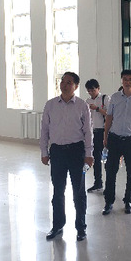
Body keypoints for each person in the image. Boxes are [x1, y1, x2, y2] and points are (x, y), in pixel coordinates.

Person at [40, 72, 93, 241]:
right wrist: (44, 152)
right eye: (62, 81)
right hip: (57, 152)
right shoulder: (50, 105)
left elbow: (88, 132)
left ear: (76, 86)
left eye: (69, 82)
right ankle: (57, 225)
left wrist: (89, 154)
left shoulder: (82, 105)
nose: (64, 85)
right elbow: (44, 130)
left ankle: (81, 227)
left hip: (77, 152)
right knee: (58, 191)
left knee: (79, 192)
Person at [102, 69, 131, 215]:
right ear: (121, 80)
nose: (127, 82)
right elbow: (109, 117)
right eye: (125, 79)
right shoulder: (114, 97)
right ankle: (108, 202)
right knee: (111, 171)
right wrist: (105, 136)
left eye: (130, 79)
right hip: (115, 138)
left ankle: (128, 201)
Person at [85, 79, 110, 193]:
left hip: (104, 131)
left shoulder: (105, 98)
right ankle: (98, 183)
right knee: (96, 158)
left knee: (109, 160)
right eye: (89, 91)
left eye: (93, 90)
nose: (91, 93)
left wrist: (98, 109)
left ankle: (109, 185)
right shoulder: (87, 101)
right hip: (92, 132)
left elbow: (110, 114)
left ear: (98, 89)